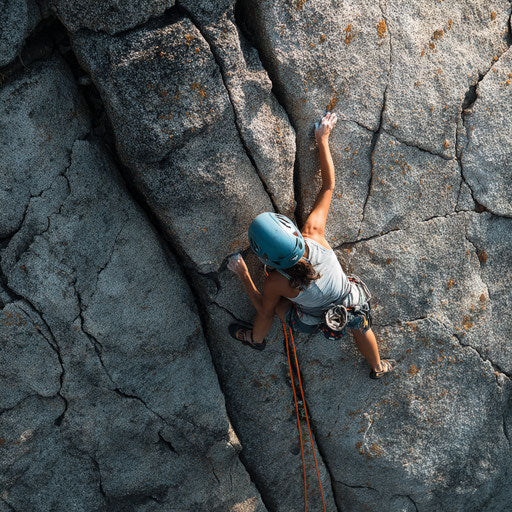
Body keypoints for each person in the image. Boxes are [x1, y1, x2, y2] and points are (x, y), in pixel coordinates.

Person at [227, 112, 395, 379]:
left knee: (276, 308)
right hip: (348, 302)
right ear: (293, 232)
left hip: (311, 321)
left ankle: (255, 340)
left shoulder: (275, 283)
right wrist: (323, 137)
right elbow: (328, 186)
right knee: (360, 323)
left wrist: (244, 273)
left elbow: (263, 310)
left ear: (267, 259)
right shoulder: (314, 234)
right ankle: (377, 366)